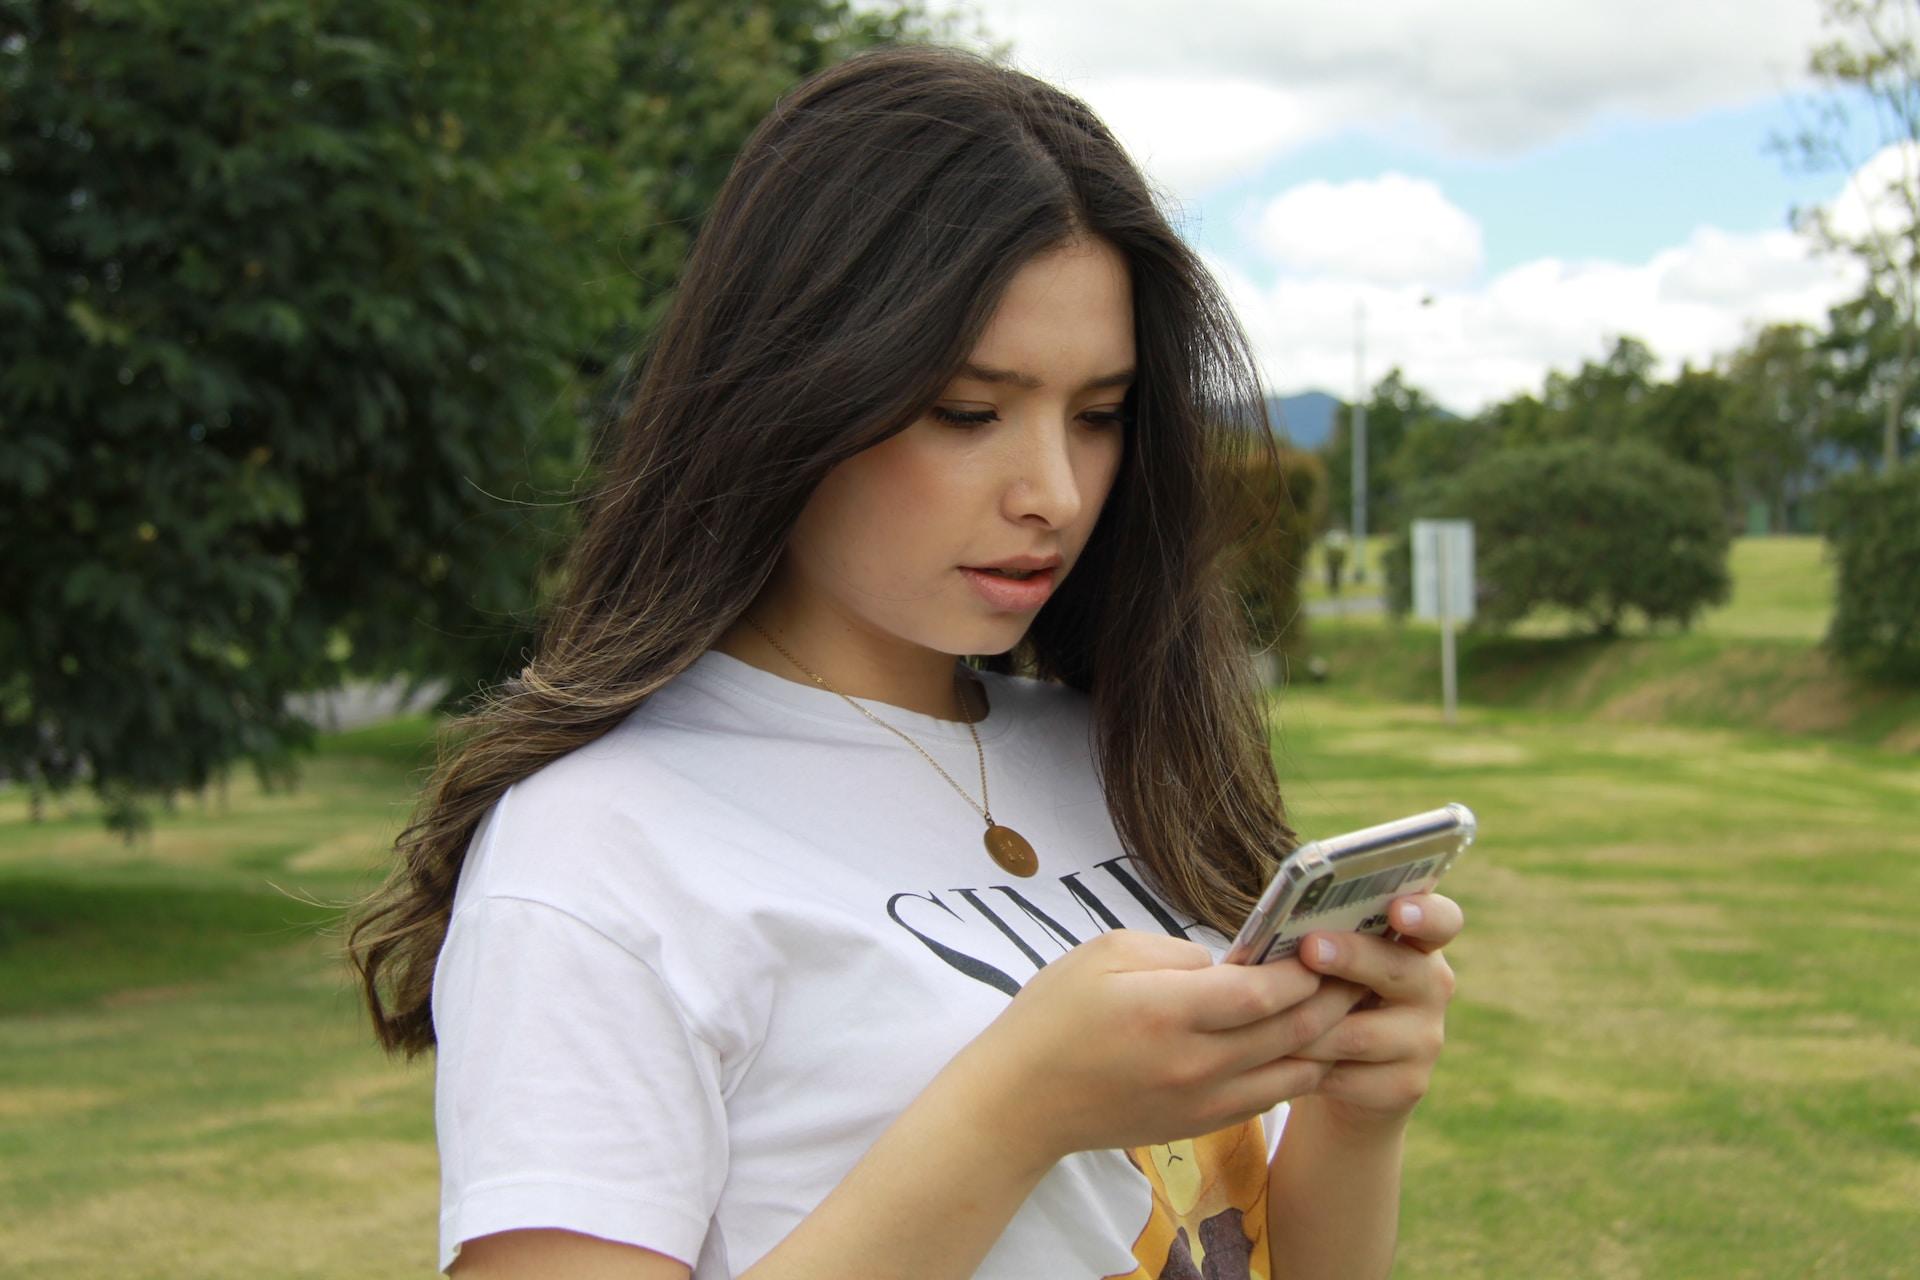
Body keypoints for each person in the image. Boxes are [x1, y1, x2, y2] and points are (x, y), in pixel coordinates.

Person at [344, 41, 1463, 1280]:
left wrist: (1358, 1108)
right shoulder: (594, 853)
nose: (1054, 492)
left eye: (1099, 415)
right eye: (969, 412)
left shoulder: (1112, 752)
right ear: (794, 390)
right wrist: (1012, 1111)